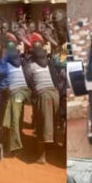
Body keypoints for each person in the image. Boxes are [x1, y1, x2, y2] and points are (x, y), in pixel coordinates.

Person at [23, 35, 64, 163]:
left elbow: (28, 83)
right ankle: (55, 151)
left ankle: (41, 157)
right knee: (53, 123)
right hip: (55, 94)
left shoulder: (30, 66)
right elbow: (56, 80)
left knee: (42, 126)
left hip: (44, 96)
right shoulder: (49, 64)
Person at [0, 35, 30, 155]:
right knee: (17, 118)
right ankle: (15, 144)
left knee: (11, 120)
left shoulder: (5, 61)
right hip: (22, 92)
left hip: (14, 94)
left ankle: (13, 148)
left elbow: (0, 75)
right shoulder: (18, 61)